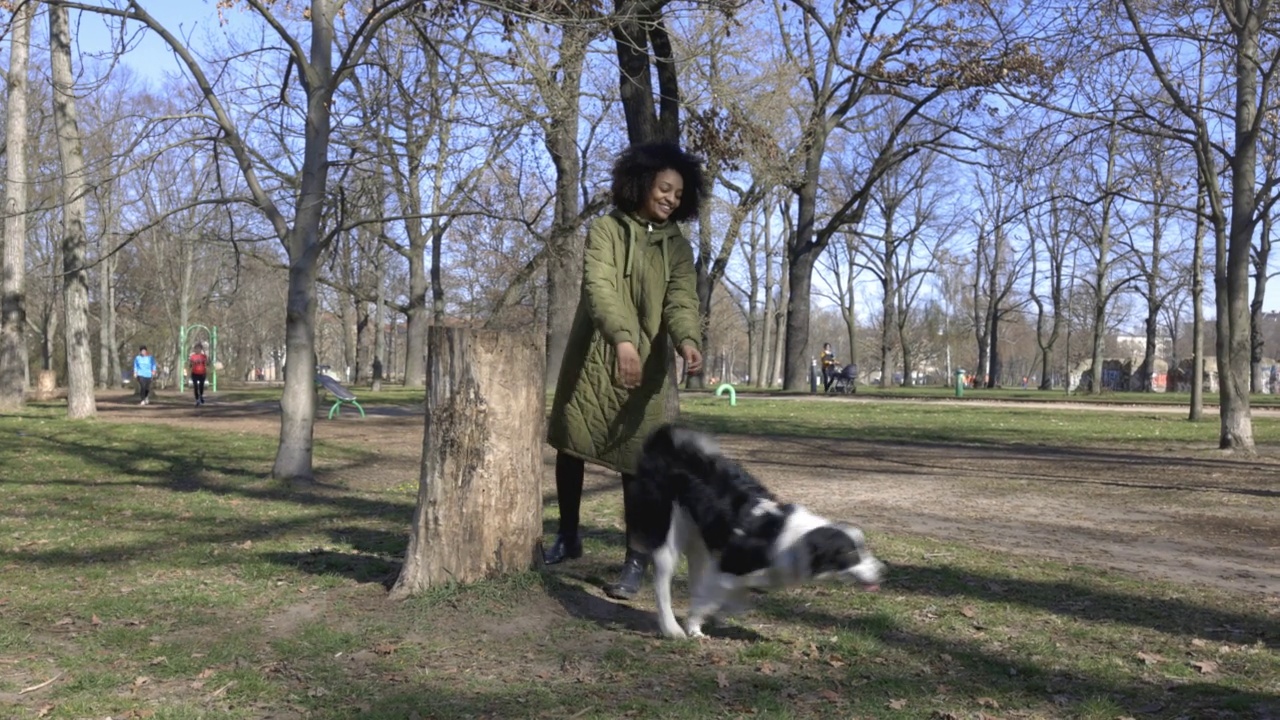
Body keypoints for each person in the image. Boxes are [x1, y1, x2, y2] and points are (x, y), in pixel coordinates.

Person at [544, 142, 705, 601]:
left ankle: (635, 559)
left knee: (637, 460)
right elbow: (599, 288)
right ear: (642, 183)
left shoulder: (677, 247)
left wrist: (688, 339)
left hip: (646, 364)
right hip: (596, 352)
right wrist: (622, 340)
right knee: (572, 442)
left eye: (679, 192)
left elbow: (681, 301)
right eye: (664, 188)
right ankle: (568, 536)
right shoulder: (606, 230)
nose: (671, 198)